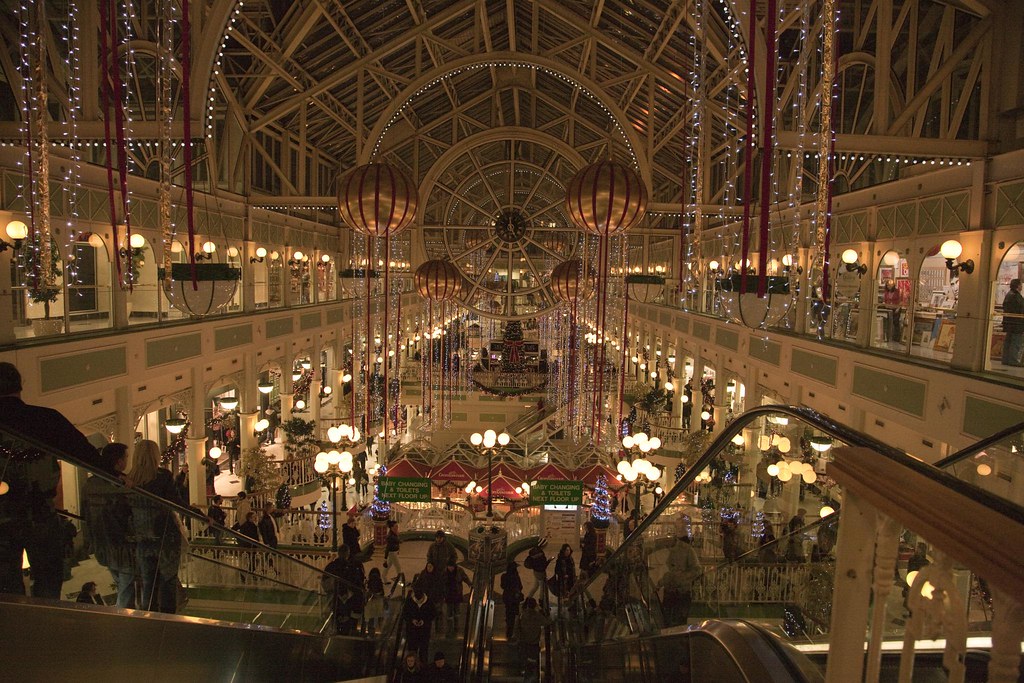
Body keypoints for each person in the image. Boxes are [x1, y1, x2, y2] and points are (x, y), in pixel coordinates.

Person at [0, 362, 111, 599]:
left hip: (4, 517)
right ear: (20, 386)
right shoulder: (44, 419)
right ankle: (43, 620)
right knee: (48, 576)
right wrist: (116, 476)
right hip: (40, 512)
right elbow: (84, 453)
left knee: (6, 580)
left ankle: (12, 622)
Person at [127, 439, 187, 613]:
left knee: (148, 582)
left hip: (141, 537)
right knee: (168, 579)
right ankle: (167, 618)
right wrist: (199, 515)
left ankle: (149, 616)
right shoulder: (162, 476)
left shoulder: (130, 479)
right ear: (155, 456)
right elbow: (176, 502)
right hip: (165, 536)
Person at [82, 442, 135, 608]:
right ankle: (124, 617)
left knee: (122, 582)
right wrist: (129, 488)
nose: (127, 461)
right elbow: (127, 510)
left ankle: (125, 613)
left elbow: (86, 513)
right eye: (126, 457)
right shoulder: (118, 485)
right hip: (120, 543)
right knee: (126, 585)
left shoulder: (90, 484)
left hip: (101, 542)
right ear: (119, 461)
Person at [659, 534, 701, 627]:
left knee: (680, 624)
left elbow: (697, 570)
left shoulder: (687, 550)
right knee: (666, 622)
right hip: (668, 591)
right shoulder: (662, 549)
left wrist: (682, 576)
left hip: (682, 592)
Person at [516, 597, 551, 681]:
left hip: (524, 641)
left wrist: (517, 638)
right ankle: (530, 675)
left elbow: (517, 627)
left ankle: (524, 672)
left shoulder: (522, 615)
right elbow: (547, 623)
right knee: (532, 661)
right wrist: (543, 612)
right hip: (534, 643)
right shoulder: (537, 616)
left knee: (525, 658)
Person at [403, 588, 436, 663]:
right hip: (412, 631)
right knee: (412, 650)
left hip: (424, 631)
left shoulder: (428, 602)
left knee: (423, 651)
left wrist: (424, 621)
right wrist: (412, 620)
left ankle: (422, 668)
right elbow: (404, 614)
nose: (419, 601)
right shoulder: (409, 602)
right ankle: (413, 667)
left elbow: (433, 614)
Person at [443, 558, 471, 637]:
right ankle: (449, 627)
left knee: (456, 610)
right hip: (448, 594)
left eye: (452, 567)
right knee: (449, 611)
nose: (450, 568)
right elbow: (441, 582)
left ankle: (456, 626)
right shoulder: (444, 572)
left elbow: (465, 577)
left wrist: (469, 583)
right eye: (449, 567)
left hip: (457, 593)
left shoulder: (459, 571)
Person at [1002, 278, 1024, 366]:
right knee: (1015, 342)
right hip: (1017, 323)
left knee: (1009, 341)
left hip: (1009, 323)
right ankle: (1013, 360)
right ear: (1018, 286)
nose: (1022, 286)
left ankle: (1006, 359)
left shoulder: (1009, 295)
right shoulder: (1016, 296)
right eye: (1021, 284)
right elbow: (1020, 309)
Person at [501, 559, 524, 640]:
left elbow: (502, 586)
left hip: (507, 597)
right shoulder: (516, 577)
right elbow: (521, 587)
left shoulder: (504, 576)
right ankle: (514, 629)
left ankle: (509, 629)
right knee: (514, 613)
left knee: (508, 611)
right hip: (515, 598)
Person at [364, 566, 386, 636]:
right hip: (378, 602)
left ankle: (370, 633)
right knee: (380, 619)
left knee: (371, 619)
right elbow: (382, 592)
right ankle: (382, 633)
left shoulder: (369, 581)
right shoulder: (379, 581)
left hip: (371, 603)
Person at [384, 520, 404, 593]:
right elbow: (388, 547)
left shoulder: (393, 534)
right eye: (395, 526)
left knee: (388, 566)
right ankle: (400, 581)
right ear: (392, 527)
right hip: (392, 553)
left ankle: (384, 577)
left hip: (394, 552)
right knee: (398, 567)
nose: (397, 527)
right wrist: (385, 558)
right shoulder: (391, 537)